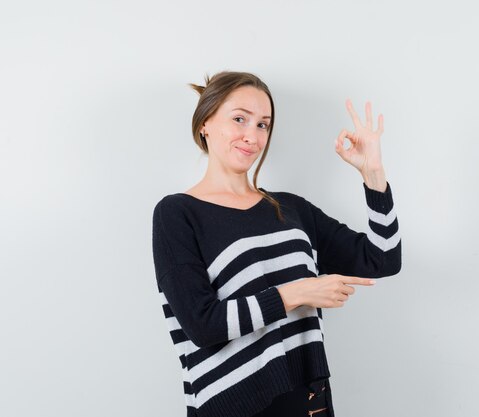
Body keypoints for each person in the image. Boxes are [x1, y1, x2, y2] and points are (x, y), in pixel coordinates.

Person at [151, 71, 402, 417]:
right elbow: (202, 325)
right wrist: (299, 293)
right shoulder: (177, 213)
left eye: (263, 125)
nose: (252, 136)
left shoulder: (291, 209)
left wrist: (373, 175)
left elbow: (383, 259)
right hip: (232, 407)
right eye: (240, 119)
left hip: (308, 402)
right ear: (205, 122)